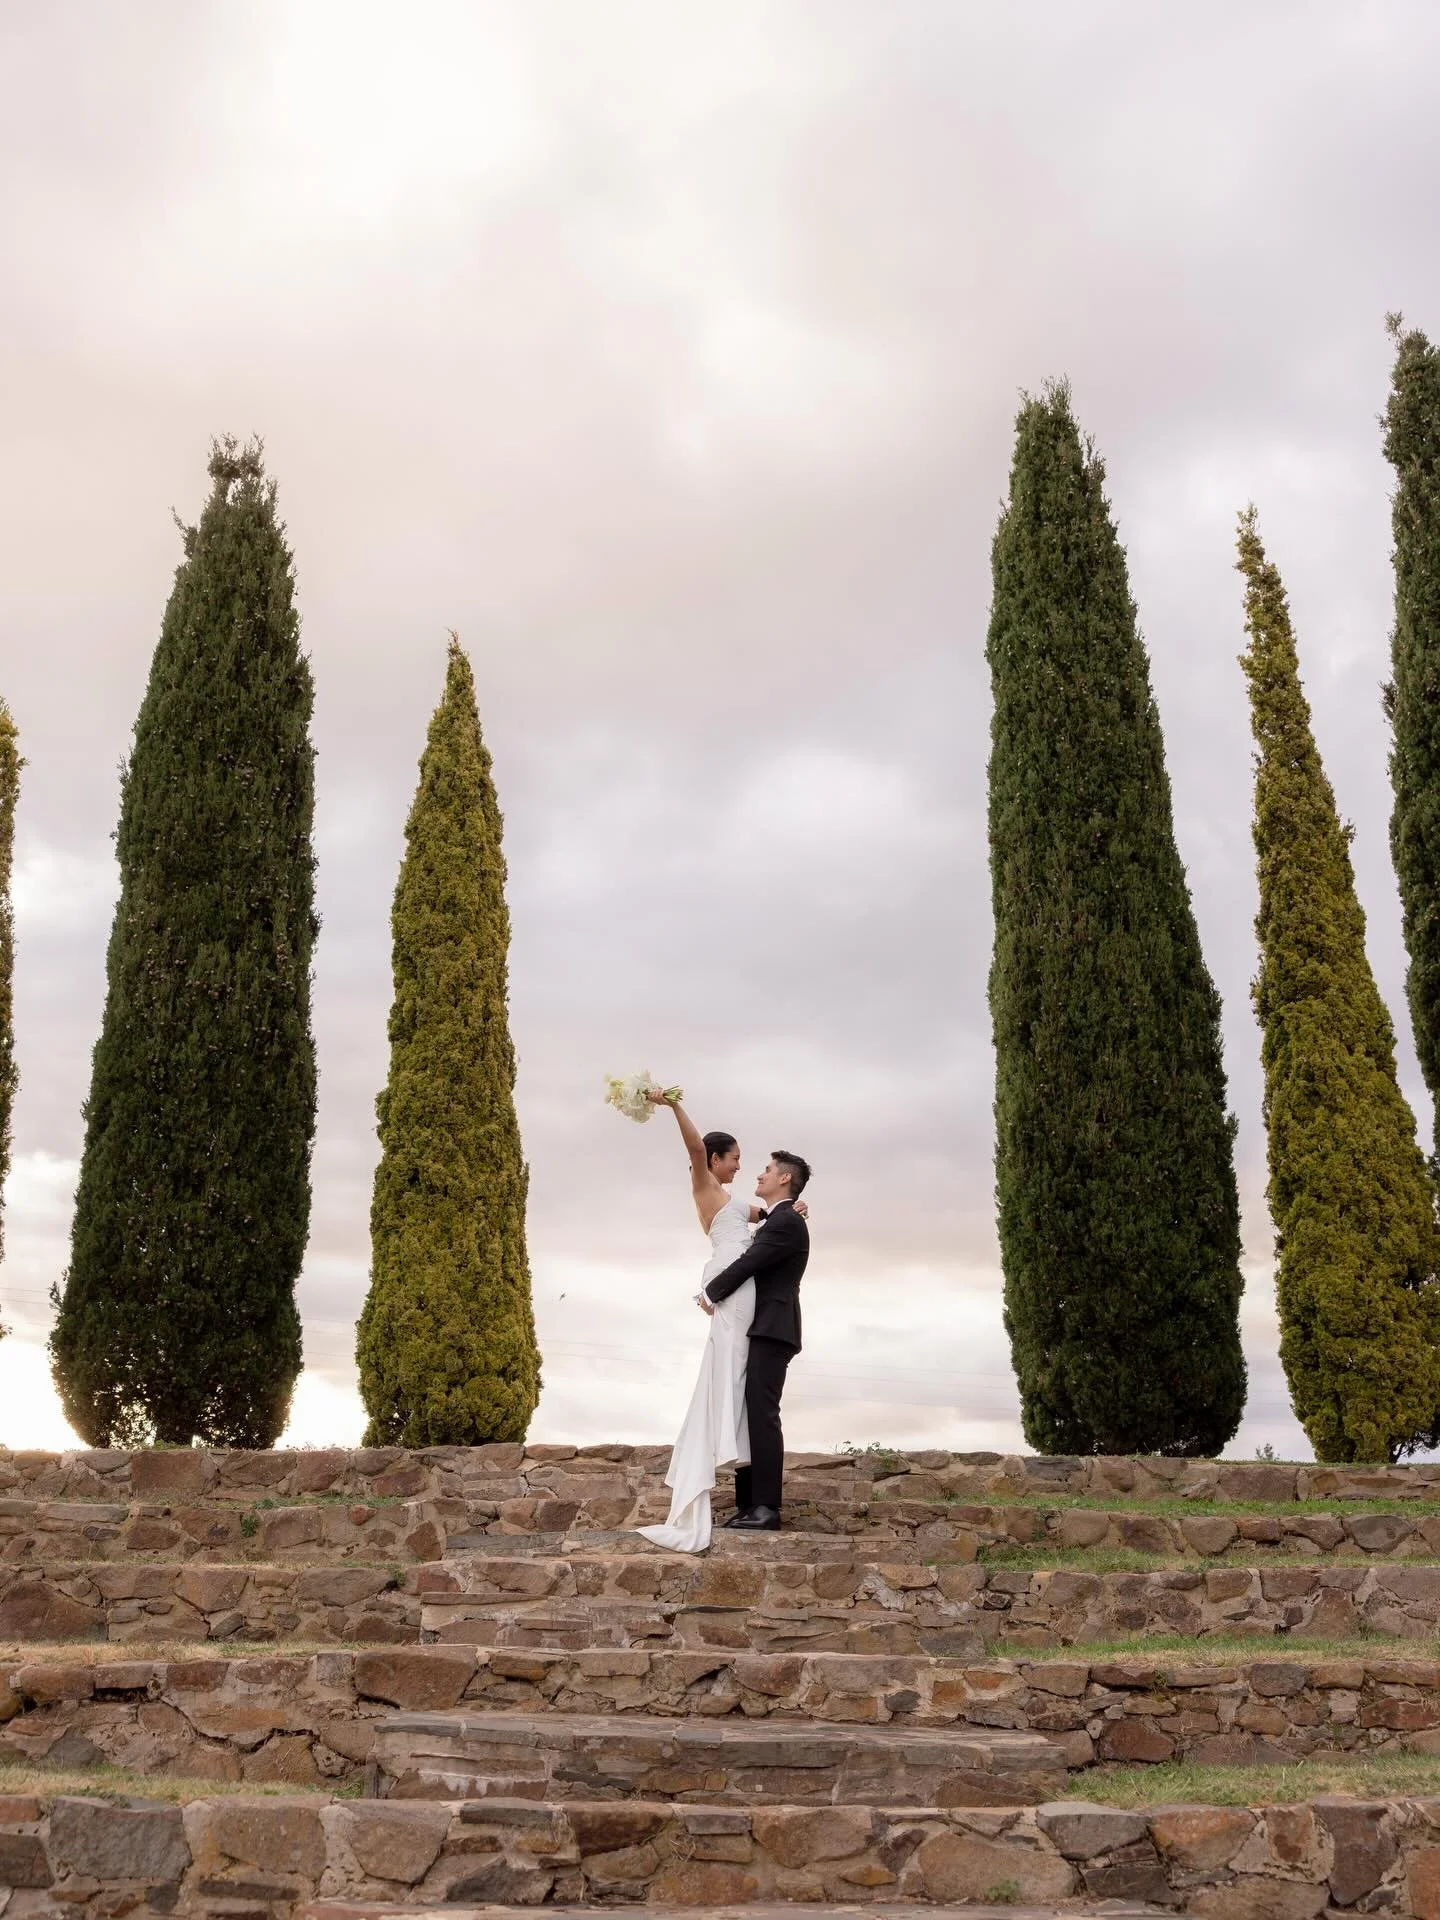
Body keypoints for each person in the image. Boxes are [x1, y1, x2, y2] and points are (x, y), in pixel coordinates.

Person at [634, 1095, 804, 1553]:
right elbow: (693, 1149)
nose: (741, 1168)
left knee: (745, 1385)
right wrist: (672, 1108)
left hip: (743, 1290)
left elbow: (770, 1221)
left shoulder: (736, 1203)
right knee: (733, 1374)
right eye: (734, 1159)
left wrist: (792, 1211)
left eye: (751, 1164)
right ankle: (736, 1466)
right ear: (714, 1159)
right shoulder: (706, 1188)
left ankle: (747, 1480)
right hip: (731, 1285)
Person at [703, 1149, 812, 1532]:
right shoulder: (780, 1218)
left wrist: (710, 1292)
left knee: (762, 1414)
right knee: (748, 1413)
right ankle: (749, 1504)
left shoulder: (786, 1223)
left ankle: (766, 1507)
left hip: (772, 1327)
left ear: (785, 1178)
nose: (759, 1175)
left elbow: (749, 1263)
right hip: (759, 1326)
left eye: (767, 1170)